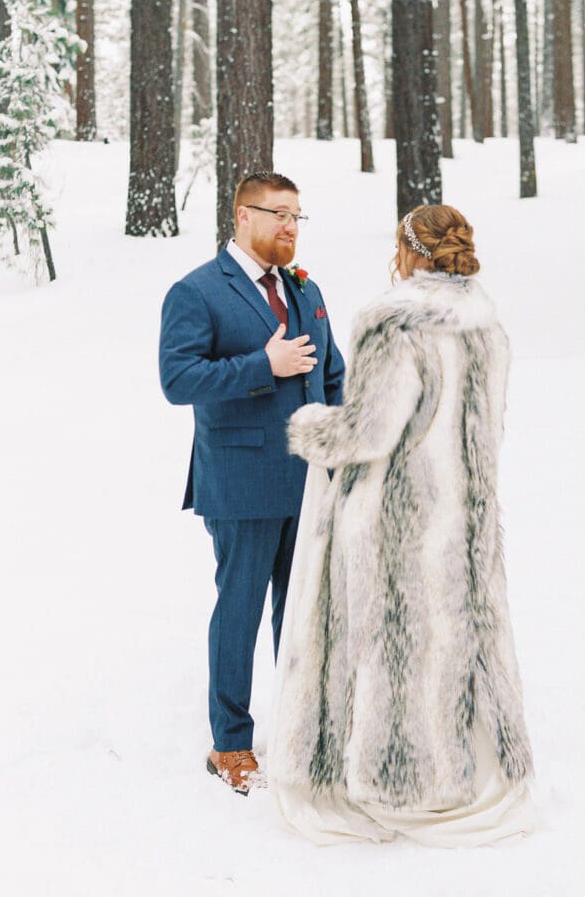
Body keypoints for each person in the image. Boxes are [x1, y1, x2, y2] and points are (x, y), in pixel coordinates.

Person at [268, 204, 535, 846]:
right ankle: (459, 768)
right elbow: (487, 426)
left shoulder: (394, 323)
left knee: (388, 642)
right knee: (450, 641)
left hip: (396, 517)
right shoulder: (487, 324)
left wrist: (309, 430)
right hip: (463, 513)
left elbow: (370, 430)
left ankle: (393, 777)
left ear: (407, 250)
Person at [159, 171, 345, 796]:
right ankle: (230, 744)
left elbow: (333, 373)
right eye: (278, 214)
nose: (291, 226)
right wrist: (261, 366)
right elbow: (178, 380)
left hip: (310, 483)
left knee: (302, 615)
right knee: (239, 612)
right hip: (240, 481)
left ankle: (301, 730)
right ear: (242, 216)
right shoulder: (198, 292)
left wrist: (342, 444)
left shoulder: (306, 288)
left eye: (298, 215)